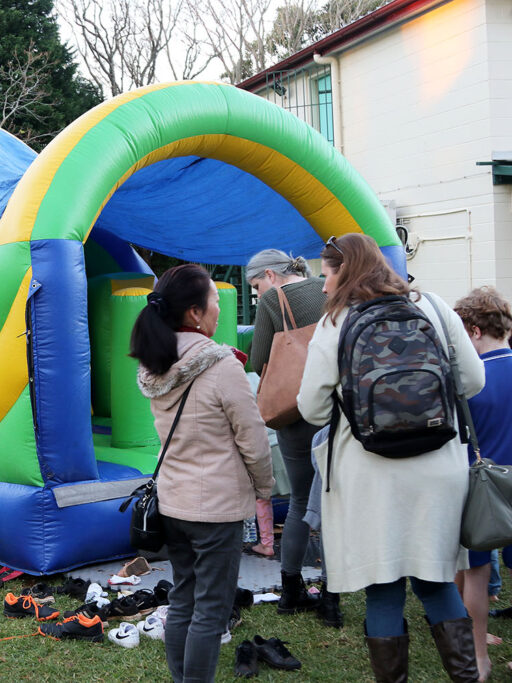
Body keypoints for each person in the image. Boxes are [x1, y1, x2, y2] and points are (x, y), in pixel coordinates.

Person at [297, 233, 484, 682]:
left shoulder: (335, 323)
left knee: (383, 589)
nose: (324, 287)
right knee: (437, 581)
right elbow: (472, 381)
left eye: (328, 274)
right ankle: (468, 676)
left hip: (368, 473)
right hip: (439, 468)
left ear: (347, 271)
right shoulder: (435, 308)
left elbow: (312, 409)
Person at [131, 264, 274, 683]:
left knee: (184, 600)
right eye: (214, 301)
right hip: (217, 508)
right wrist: (264, 486)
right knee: (210, 611)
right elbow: (252, 435)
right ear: (194, 313)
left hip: (174, 502)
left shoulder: (158, 359)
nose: (217, 309)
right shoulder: (220, 364)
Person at [245, 249, 336, 623]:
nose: (256, 293)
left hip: (294, 412)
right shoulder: (329, 289)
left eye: (255, 285)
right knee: (333, 501)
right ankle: (332, 598)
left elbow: (257, 359)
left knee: (300, 500)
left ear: (270, 274)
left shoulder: (271, 300)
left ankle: (291, 589)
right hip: (335, 409)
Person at [453, 286, 512, 681]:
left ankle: (478, 657)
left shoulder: (471, 380)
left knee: (475, 573)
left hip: (481, 487)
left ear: (474, 331)